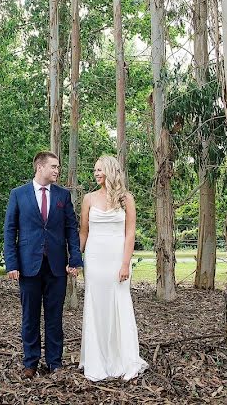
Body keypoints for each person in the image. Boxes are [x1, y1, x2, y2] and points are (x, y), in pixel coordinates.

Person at [3, 151, 82, 378]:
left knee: (54, 316)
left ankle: (54, 362)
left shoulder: (63, 196)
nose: (57, 170)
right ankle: (30, 363)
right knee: (30, 316)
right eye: (54, 167)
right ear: (40, 168)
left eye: (58, 167)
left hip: (57, 266)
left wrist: (74, 259)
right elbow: (10, 230)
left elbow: (71, 230)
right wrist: (11, 263)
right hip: (28, 266)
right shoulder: (18, 194)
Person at [78, 155, 148, 381]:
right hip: (95, 258)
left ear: (111, 171)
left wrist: (125, 263)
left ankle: (122, 357)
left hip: (117, 258)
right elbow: (83, 232)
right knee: (96, 304)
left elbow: (130, 233)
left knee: (119, 303)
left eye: (100, 169)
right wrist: (75, 259)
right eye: (95, 170)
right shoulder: (88, 198)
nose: (96, 173)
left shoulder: (126, 199)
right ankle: (96, 359)